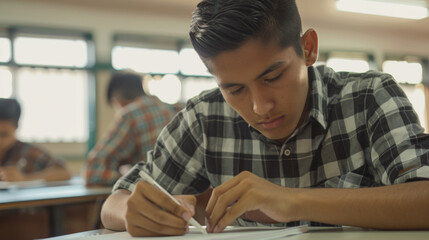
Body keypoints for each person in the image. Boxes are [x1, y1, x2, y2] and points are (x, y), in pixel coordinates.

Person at [100, 0, 429, 236]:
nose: (260, 107)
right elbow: (114, 203)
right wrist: (134, 213)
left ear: (308, 48)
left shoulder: (368, 96)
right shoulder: (204, 117)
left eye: (272, 77)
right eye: (234, 88)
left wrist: (293, 201)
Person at [85, 72, 183, 186]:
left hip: (158, 196)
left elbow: (93, 171)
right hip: (194, 198)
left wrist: (129, 177)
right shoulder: (175, 110)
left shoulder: (130, 115)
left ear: (117, 100)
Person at [0, 98, 72, 182]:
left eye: (4, 134)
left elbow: (64, 173)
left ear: (16, 128)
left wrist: (24, 179)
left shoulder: (27, 152)